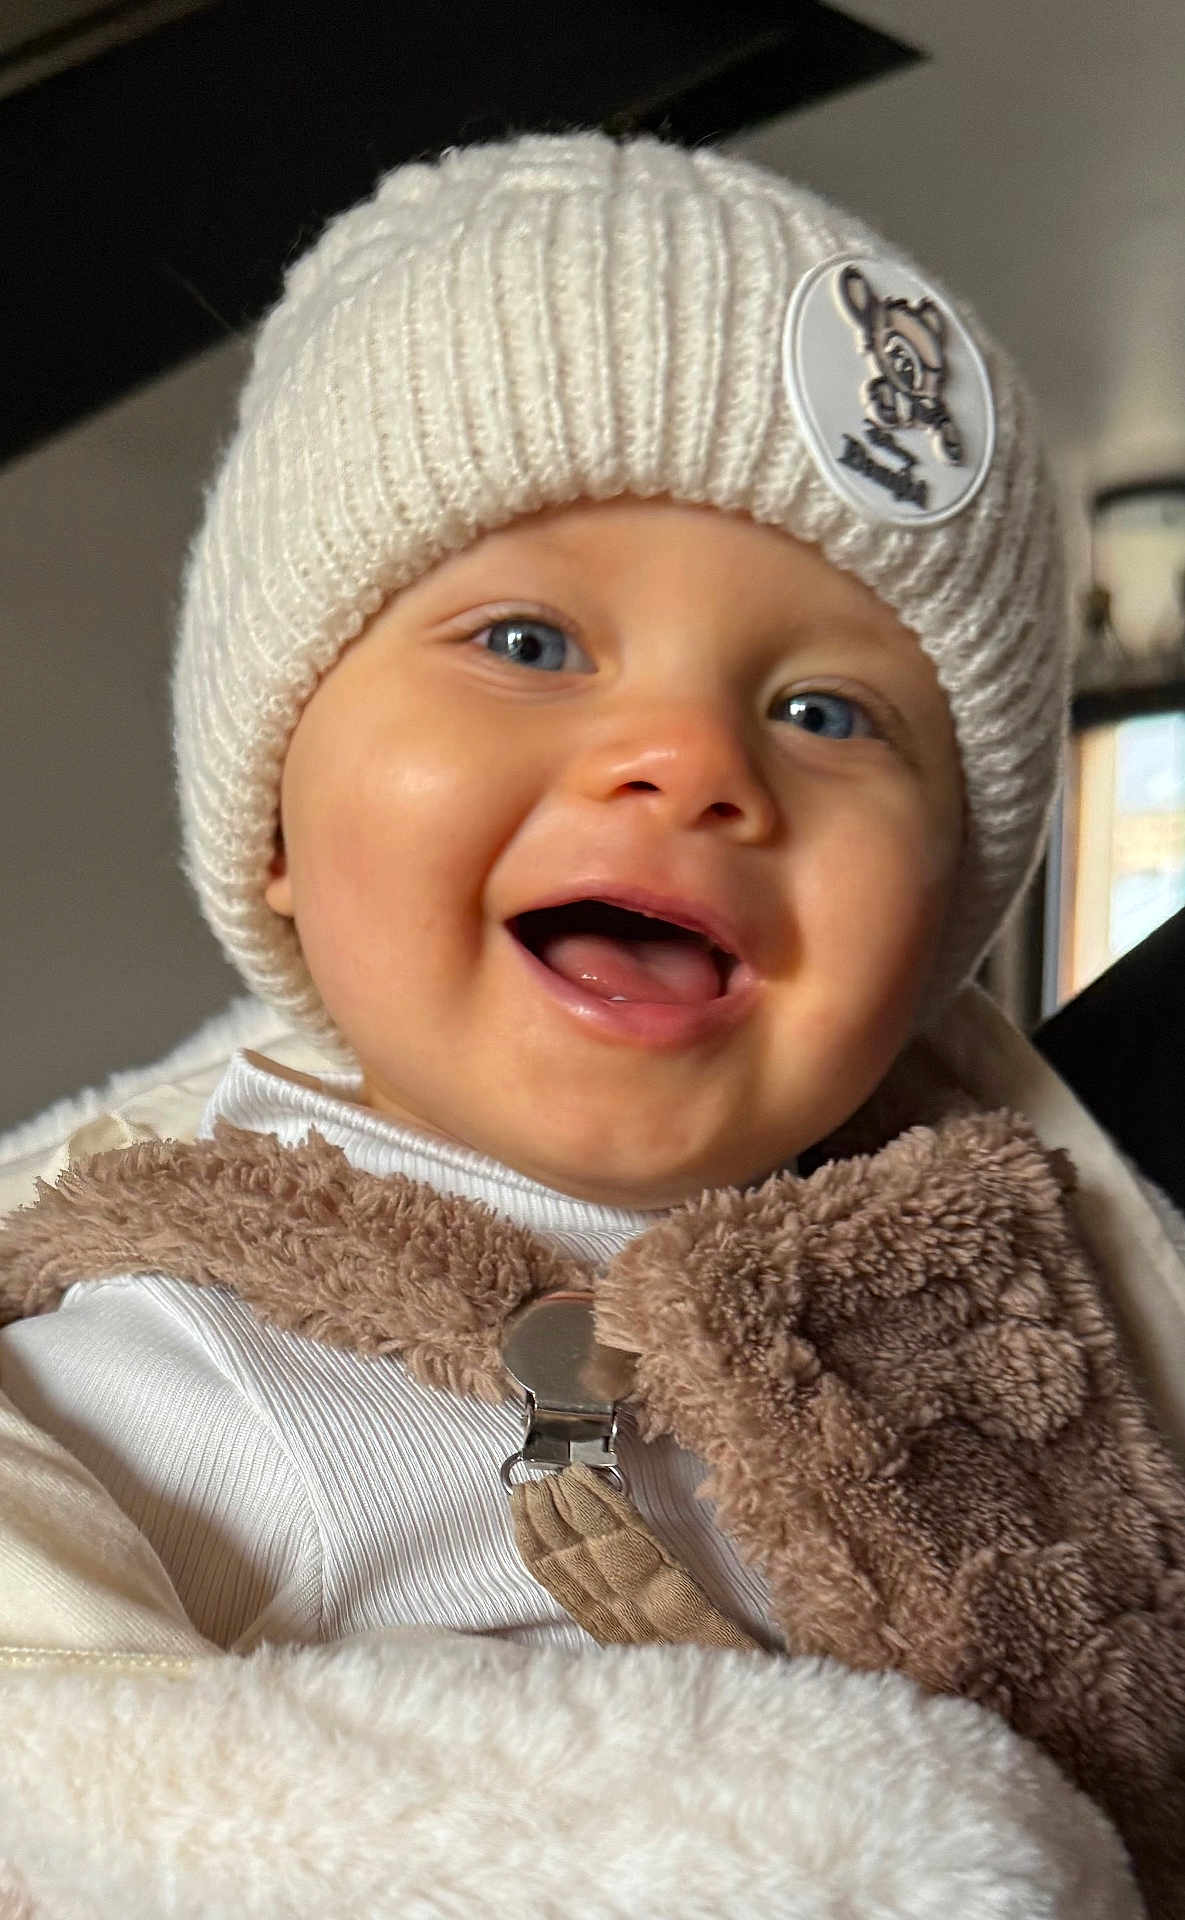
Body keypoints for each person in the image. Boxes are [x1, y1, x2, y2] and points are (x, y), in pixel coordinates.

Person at [0, 131, 1182, 1917]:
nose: (697, 765)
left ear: (940, 927)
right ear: (276, 826)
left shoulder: (1038, 1299)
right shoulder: (169, 1377)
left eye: (827, 712)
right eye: (531, 644)